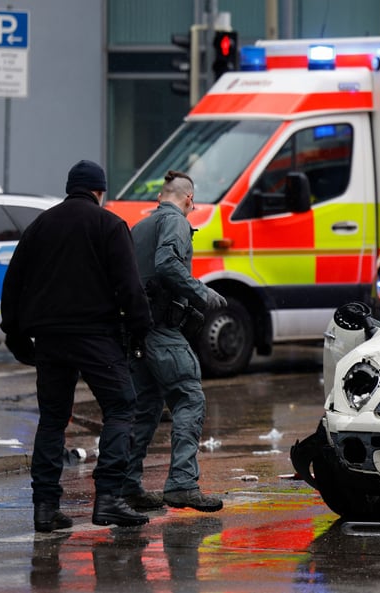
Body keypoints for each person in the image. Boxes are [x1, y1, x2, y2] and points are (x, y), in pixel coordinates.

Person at [0, 159, 153, 532]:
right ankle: (110, 499)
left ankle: (45, 507)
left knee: (53, 419)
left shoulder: (41, 226)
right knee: (120, 406)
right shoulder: (109, 224)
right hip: (96, 334)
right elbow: (129, 287)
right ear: (100, 191)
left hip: (49, 337)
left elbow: (13, 281)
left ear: (71, 188)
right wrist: (141, 330)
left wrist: (15, 334)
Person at [122, 169, 226, 513]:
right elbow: (167, 264)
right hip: (162, 331)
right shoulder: (177, 222)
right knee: (189, 398)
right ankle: (182, 484)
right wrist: (202, 293)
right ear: (188, 199)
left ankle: (128, 486)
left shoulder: (139, 228)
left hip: (137, 332)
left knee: (146, 407)